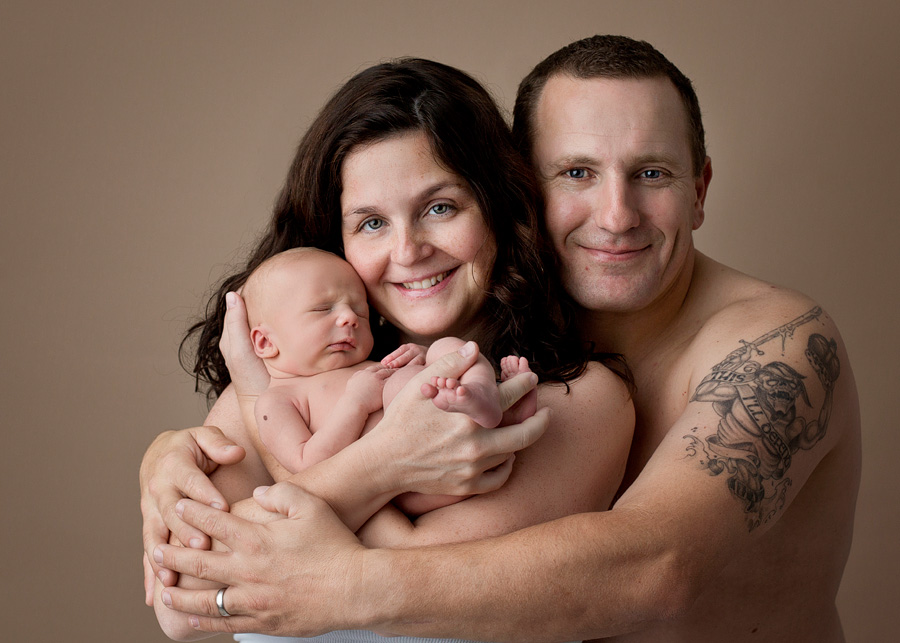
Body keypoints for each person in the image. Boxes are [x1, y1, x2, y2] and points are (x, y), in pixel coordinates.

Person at [145, 36, 860, 641]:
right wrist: (171, 455)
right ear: (526, 190)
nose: (616, 216)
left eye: (652, 173)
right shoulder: (440, 356)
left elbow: (656, 567)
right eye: (577, 172)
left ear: (699, 190)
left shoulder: (776, 348)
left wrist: (335, 574)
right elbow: (188, 594)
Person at [146, 56, 634, 642]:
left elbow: (414, 586)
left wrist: (281, 455)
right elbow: (184, 601)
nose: (408, 251)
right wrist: (385, 463)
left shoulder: (578, 402)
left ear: (500, 208)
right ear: (337, 240)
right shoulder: (279, 390)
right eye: (371, 223)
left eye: (439, 208)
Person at [243, 245, 534, 513]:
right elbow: (308, 466)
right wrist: (356, 403)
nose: (349, 318)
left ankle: (486, 396)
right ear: (265, 342)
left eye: (360, 311)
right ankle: (494, 412)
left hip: (457, 430)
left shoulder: (370, 363)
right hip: (413, 483)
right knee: (399, 385)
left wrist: (423, 358)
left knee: (448, 349)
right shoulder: (275, 401)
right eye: (323, 309)